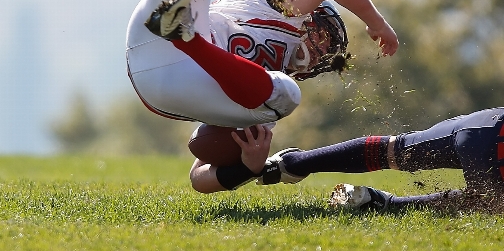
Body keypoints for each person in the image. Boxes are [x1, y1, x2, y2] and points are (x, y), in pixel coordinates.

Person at [0, 0, 397, 132]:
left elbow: (203, 168)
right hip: (157, 45)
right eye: (327, 36)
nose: (324, 51)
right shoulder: (278, 5)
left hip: (185, 83)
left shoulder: (266, 91)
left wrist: (250, 166)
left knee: (285, 98)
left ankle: (187, 36)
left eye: (329, 55)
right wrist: (377, 24)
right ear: (311, 16)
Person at [189, 107, 504, 211]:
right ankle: (386, 204)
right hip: (489, 136)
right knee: (487, 203)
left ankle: (291, 164)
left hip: (485, 126)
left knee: (397, 149)